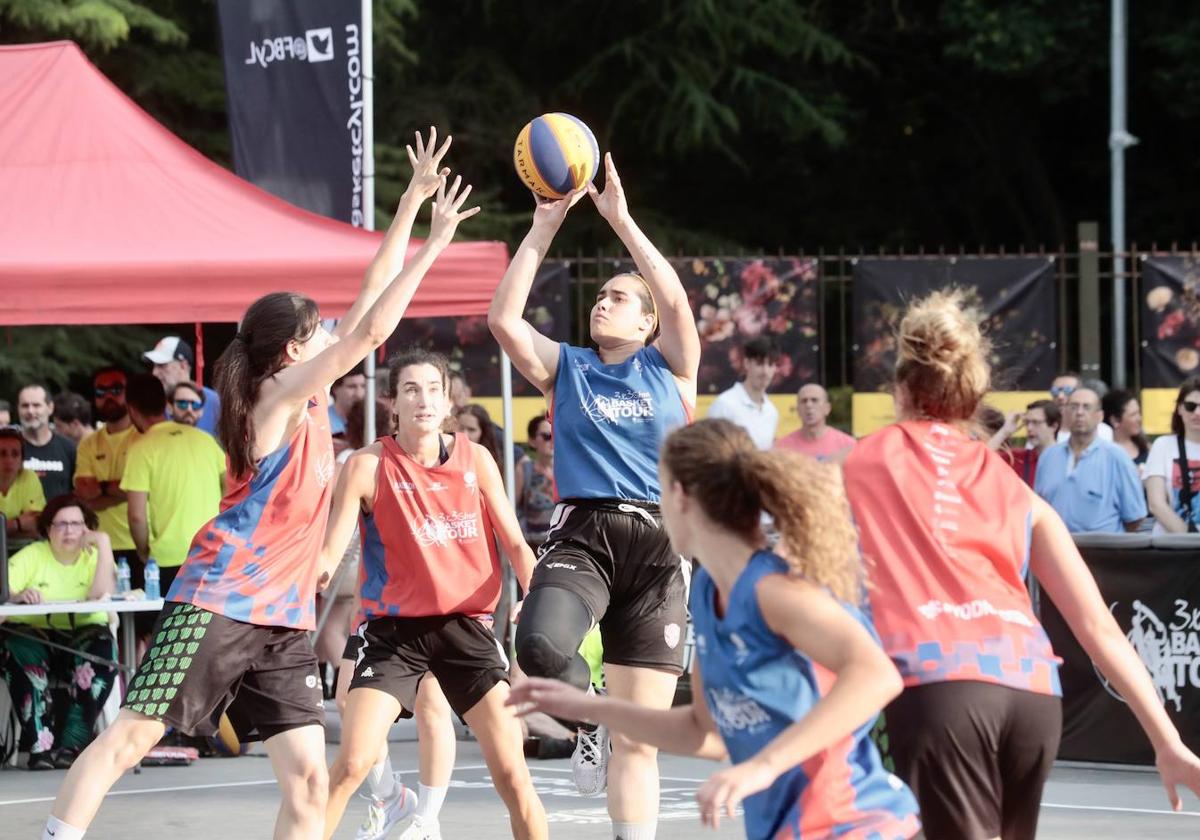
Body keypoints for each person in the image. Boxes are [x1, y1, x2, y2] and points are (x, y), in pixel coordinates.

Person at [43, 127, 476, 840]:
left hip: (281, 618)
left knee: (310, 783)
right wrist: (432, 245)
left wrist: (410, 207)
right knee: (130, 739)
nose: (331, 333)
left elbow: (368, 303)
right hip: (216, 599)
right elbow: (369, 332)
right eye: (317, 331)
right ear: (293, 348)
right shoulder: (275, 397)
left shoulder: (299, 385)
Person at [842, 290, 1200, 839]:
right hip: (1030, 690)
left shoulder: (863, 460)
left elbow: (813, 569)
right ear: (971, 393)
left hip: (938, 683)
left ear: (899, 387)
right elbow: (1098, 625)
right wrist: (1167, 741)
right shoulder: (1010, 483)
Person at [508, 419, 921, 840]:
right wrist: (591, 709)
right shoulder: (708, 593)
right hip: (787, 827)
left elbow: (877, 676)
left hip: (855, 822)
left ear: (680, 496)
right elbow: (703, 733)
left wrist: (763, 766)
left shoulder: (773, 589)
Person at [489, 152, 699, 839]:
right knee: (542, 649)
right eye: (600, 296)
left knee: (643, 742)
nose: (602, 303)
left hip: (662, 551)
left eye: (618, 298)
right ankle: (591, 715)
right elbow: (504, 319)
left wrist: (622, 221)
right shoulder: (567, 368)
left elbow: (673, 297)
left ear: (644, 324)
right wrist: (545, 226)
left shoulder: (671, 368)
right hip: (586, 534)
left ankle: (611, 745)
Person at [319, 349, 545, 840]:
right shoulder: (366, 465)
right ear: (392, 403)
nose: (424, 399)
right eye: (411, 390)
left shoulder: (476, 459)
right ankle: (394, 805)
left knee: (511, 773)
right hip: (393, 632)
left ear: (448, 402)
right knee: (353, 762)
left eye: (433, 390)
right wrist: (304, 575)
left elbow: (515, 542)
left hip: (466, 629)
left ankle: (423, 817)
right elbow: (329, 554)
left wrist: (538, 598)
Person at [327, 384, 459, 840]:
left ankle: (426, 817)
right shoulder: (365, 464)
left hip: (440, 606)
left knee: (432, 706)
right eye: (406, 398)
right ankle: (390, 796)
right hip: (381, 608)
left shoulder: (456, 465)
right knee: (346, 697)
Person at [2, 495, 117, 770]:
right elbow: (4, 595)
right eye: (61, 524)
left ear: (86, 528)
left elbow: (100, 594)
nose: (69, 531)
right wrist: (18, 596)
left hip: (84, 632)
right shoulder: (32, 555)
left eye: (77, 524)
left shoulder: (94, 557)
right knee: (18, 650)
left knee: (102, 652)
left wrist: (103, 543)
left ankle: (72, 745)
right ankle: (38, 748)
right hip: (36, 633)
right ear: (47, 529)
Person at [120, 373, 226, 612]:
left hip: (167, 558)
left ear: (132, 410)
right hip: (212, 552)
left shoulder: (141, 448)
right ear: (165, 405)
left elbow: (136, 515)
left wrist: (143, 549)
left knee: (167, 637)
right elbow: (232, 491)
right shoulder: (206, 441)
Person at [1034, 387, 1146, 533]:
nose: (1079, 413)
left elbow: (1135, 518)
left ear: (1099, 416)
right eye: (1073, 407)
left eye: (1086, 407)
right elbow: (1039, 509)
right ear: (1065, 414)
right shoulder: (1049, 457)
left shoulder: (1116, 457)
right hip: (1057, 549)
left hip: (1103, 550)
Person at [73, 367, 139, 588]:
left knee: (144, 619)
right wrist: (126, 489)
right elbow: (84, 494)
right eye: (101, 391)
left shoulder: (144, 437)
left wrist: (100, 489)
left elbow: (142, 491)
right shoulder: (88, 443)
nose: (108, 396)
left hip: (141, 542)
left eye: (116, 389)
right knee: (107, 619)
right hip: (97, 543)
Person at [1144, 377, 1200, 534]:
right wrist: (1189, 539)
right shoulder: (1163, 445)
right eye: (1191, 406)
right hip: (1172, 545)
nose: (1197, 412)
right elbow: (1156, 503)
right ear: (1179, 409)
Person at [705, 337, 779, 450]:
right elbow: (710, 448)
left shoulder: (772, 412)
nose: (765, 372)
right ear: (747, 363)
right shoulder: (724, 404)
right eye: (759, 364)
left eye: (770, 365)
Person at [143, 336, 222, 436]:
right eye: (154, 366)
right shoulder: (152, 404)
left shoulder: (214, 402)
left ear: (183, 365)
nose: (155, 373)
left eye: (162, 365)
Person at [18, 384, 77, 499]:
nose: (30, 411)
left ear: (50, 408)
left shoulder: (68, 448)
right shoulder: (8, 449)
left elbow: (77, 492)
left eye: (36, 405)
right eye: (25, 406)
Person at [773, 383, 855, 464]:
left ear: (827, 408)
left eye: (814, 400)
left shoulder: (848, 445)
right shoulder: (781, 448)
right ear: (797, 410)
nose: (809, 405)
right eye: (804, 401)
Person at [988, 399, 1060, 487]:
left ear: (1054, 427)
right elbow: (982, 458)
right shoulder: (1018, 458)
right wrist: (1005, 431)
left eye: (1035, 422)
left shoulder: (1068, 459)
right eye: (1027, 422)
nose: (1029, 428)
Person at [515, 414, 556, 548]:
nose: (553, 440)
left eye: (556, 434)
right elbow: (511, 508)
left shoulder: (570, 469)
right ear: (532, 441)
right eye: (546, 436)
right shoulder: (524, 469)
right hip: (532, 545)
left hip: (561, 545)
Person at [1, 427, 45, 539]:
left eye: (15, 454)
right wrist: (18, 523)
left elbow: (37, 528)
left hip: (22, 551)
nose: (9, 460)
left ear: (22, 461)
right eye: (2, 454)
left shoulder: (30, 477)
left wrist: (5, 528)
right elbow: (26, 526)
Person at [1051, 371, 1112, 443]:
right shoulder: (1045, 429)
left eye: (1067, 390)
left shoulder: (1102, 431)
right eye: (1055, 391)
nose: (1060, 396)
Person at [1103, 388, 1149, 469]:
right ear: (1115, 421)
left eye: (1139, 413)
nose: (1139, 419)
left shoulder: (1147, 448)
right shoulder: (1103, 452)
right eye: (1133, 415)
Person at [330, 365, 368, 438]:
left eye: (363, 386)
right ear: (335, 389)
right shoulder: (324, 420)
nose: (359, 394)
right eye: (352, 387)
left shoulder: (373, 417)